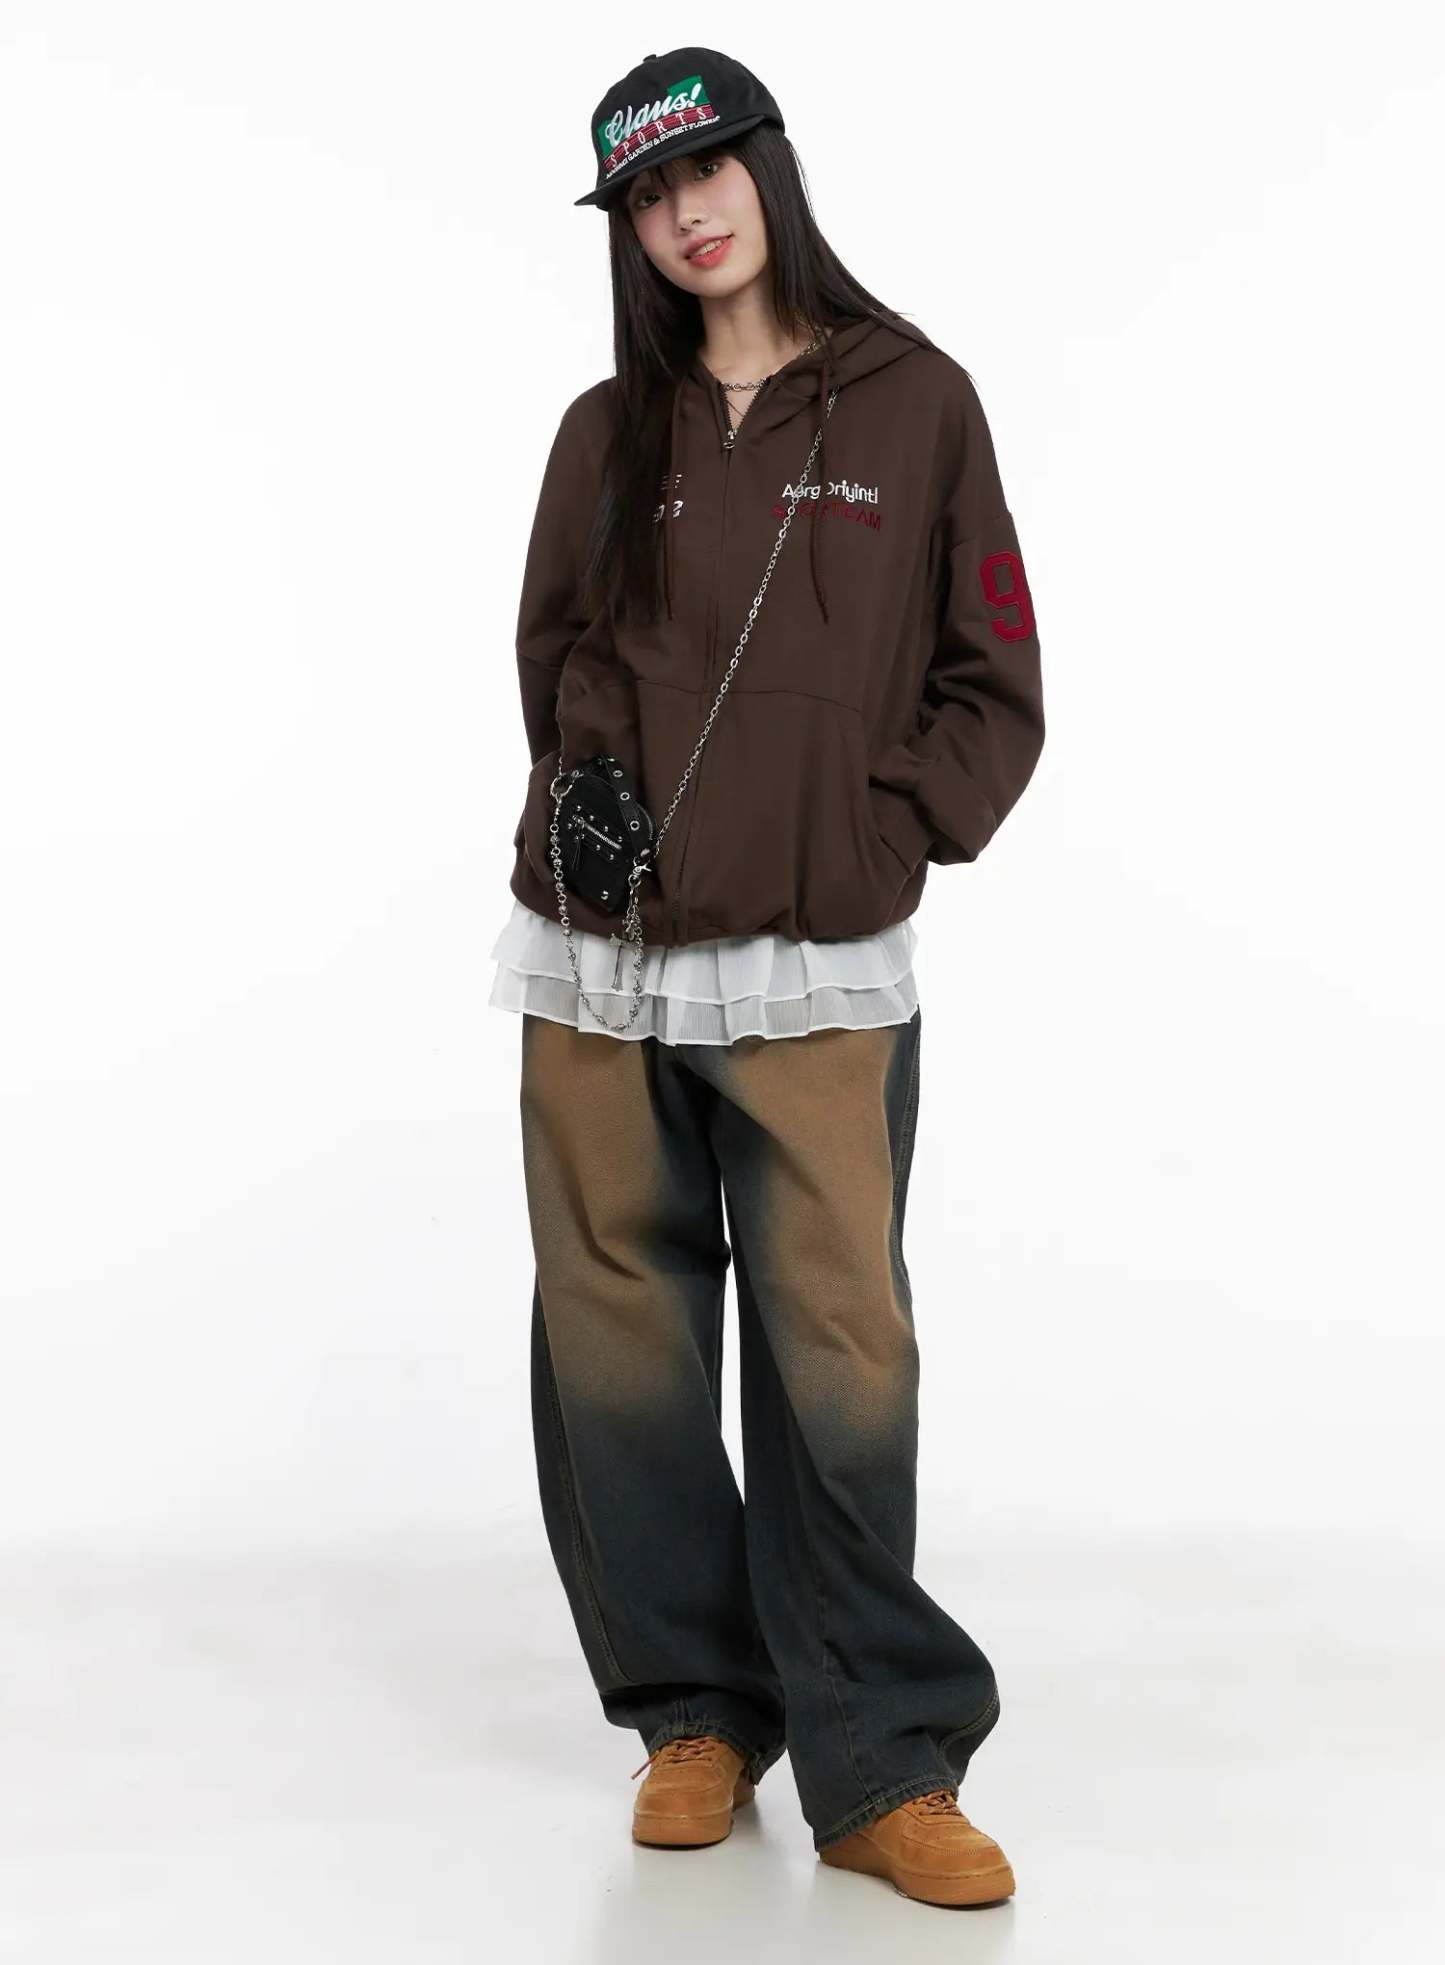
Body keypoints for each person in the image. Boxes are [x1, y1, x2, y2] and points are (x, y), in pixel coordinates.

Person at [489, 46, 1045, 1909]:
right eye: (647, 197)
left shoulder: (916, 401)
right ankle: (692, 1712)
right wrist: (580, 817)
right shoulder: (607, 430)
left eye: (706, 171)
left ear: (767, 169)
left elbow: (993, 679)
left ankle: (882, 1761)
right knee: (615, 1331)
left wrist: (883, 832)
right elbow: (550, 660)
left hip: (815, 966)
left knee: (838, 1347)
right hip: (600, 963)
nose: (685, 214)